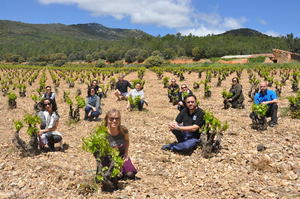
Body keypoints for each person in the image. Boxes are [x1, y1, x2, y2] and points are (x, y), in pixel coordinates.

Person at [104, 109, 137, 179]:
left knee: (130, 175)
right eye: (111, 119)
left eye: (117, 119)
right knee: (114, 176)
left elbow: (127, 141)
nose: (114, 121)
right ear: (107, 119)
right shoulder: (103, 133)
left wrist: (126, 153)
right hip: (109, 158)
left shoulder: (123, 130)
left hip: (122, 156)